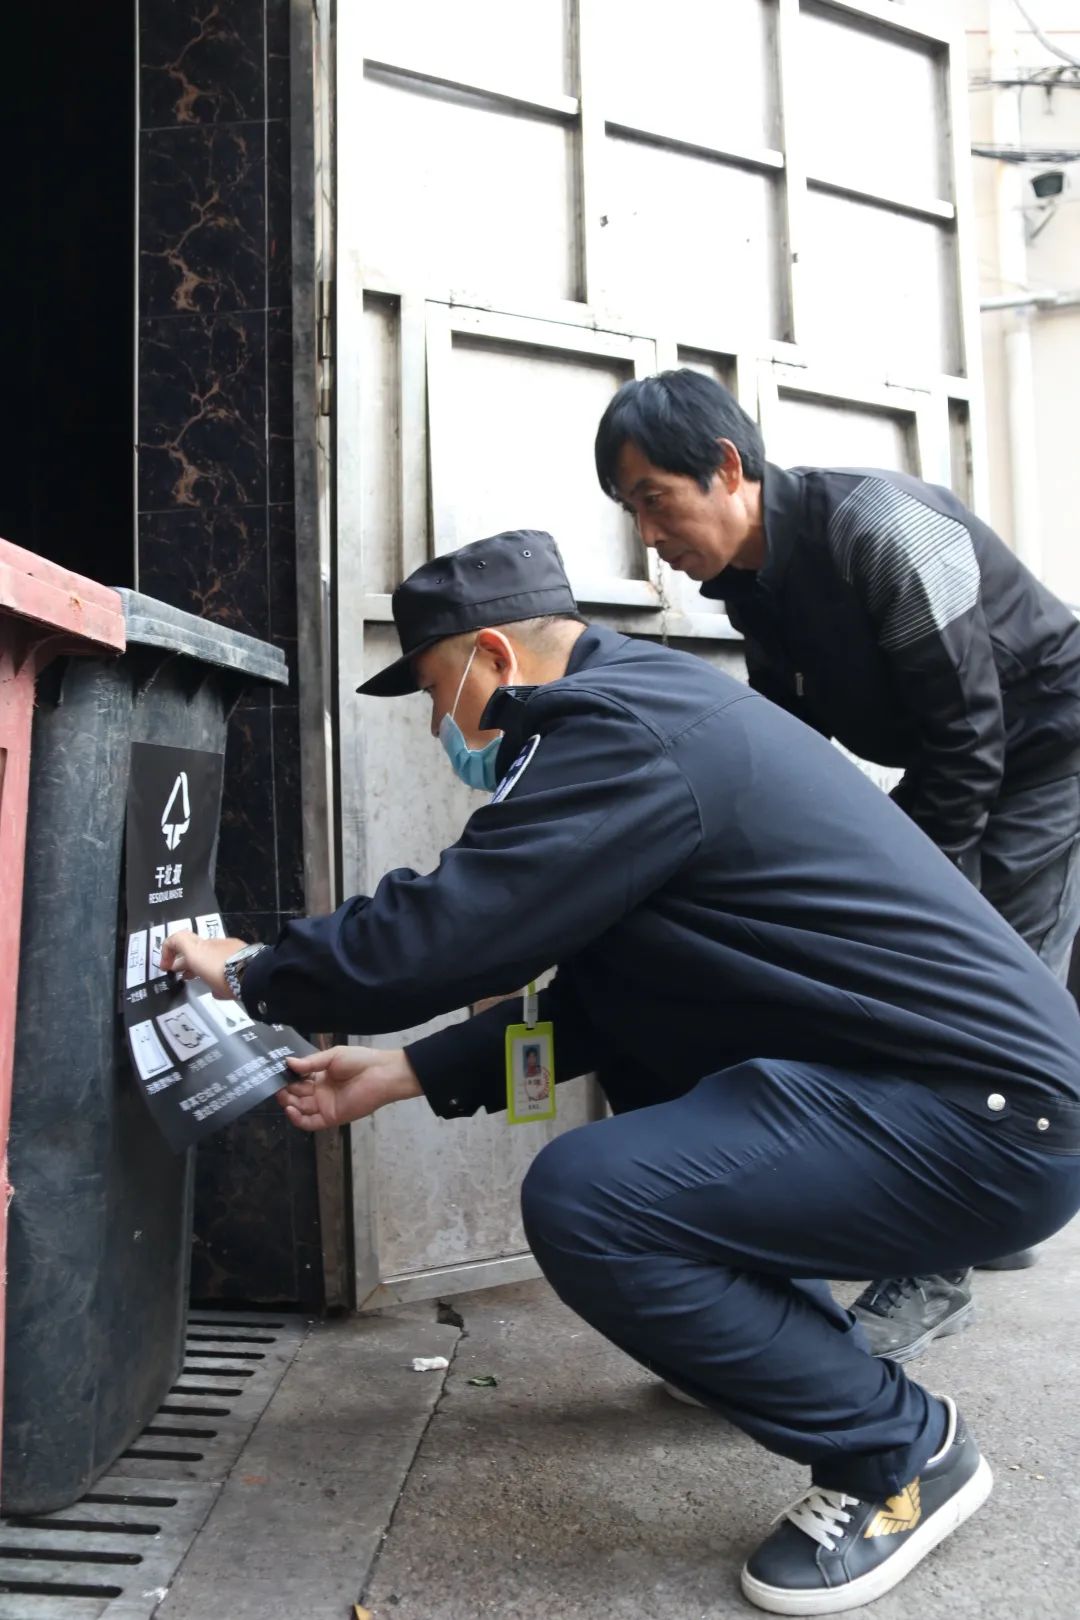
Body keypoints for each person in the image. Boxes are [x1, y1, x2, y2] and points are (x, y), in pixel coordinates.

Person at [162, 531, 1080, 1616]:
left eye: (436, 691)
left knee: (590, 1200)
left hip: (983, 1123)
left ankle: (902, 1456)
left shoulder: (620, 731)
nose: (438, 722)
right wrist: (403, 1071)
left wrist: (258, 969)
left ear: (494, 658)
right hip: (952, 1101)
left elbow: (450, 931)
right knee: (651, 1079)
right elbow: (608, 1002)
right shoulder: (648, 714)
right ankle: (808, 1367)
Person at [594, 368, 1080, 1364]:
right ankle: (995, 1211)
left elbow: (969, 736)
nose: (648, 535)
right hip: (968, 758)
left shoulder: (882, 527)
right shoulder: (751, 586)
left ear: (727, 466)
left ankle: (937, 1267)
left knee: (982, 993)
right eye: (630, 511)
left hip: (1049, 753)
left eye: (655, 499)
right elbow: (789, 748)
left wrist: (919, 914)